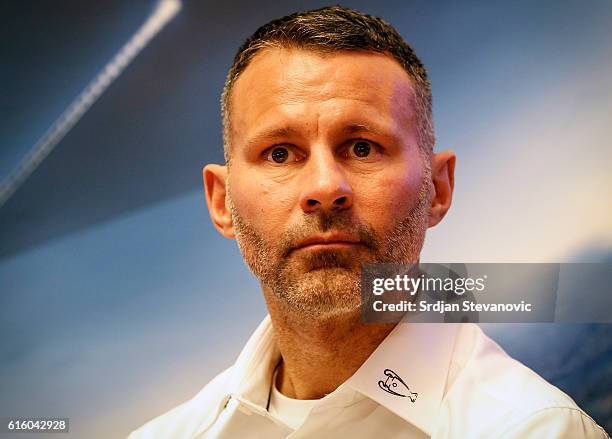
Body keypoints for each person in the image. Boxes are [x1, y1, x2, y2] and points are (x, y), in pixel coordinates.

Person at [129, 6, 608, 438]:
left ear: (437, 188)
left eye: (362, 147)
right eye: (280, 153)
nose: (324, 187)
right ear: (221, 201)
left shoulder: (538, 429)